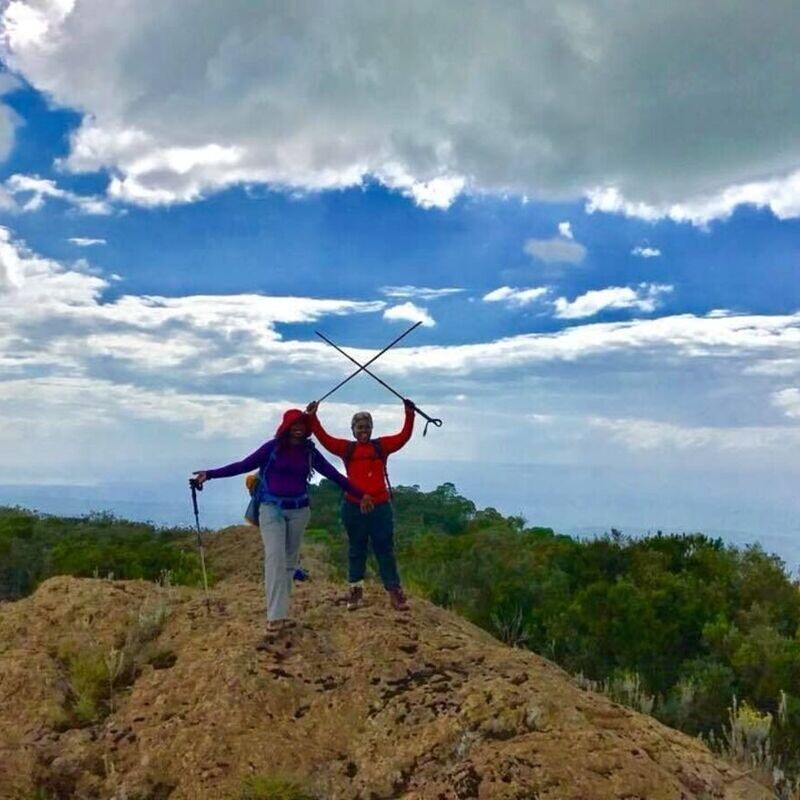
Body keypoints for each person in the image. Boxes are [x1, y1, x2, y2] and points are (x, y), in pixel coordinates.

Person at [192, 409, 372, 639]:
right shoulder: (273, 447)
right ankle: (275, 618)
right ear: (286, 425)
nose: (299, 428)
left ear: (307, 428)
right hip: (271, 508)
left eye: (302, 424)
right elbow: (243, 465)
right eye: (294, 424)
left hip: (299, 510)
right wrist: (210, 474)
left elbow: (335, 476)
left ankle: (280, 611)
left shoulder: (309, 452)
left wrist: (361, 494)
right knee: (275, 559)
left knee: (288, 564)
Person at [305, 398, 414, 612]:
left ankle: (394, 592)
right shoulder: (347, 449)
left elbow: (403, 437)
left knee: (385, 549)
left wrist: (409, 414)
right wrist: (312, 417)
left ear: (372, 429)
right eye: (359, 427)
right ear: (353, 430)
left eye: (367, 427)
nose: (363, 430)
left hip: (380, 506)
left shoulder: (381, 446)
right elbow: (325, 439)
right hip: (353, 506)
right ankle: (355, 591)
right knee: (357, 549)